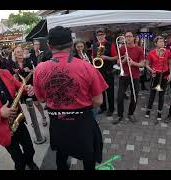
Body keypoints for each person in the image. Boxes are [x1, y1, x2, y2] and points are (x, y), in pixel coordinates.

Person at [33, 26, 108, 170]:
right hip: (83, 123)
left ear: (49, 45)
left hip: (58, 123)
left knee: (61, 154)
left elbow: (42, 100)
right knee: (88, 156)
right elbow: (99, 101)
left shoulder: (39, 69)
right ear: (71, 44)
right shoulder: (87, 67)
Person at [114, 31, 145, 125]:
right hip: (124, 76)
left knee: (134, 96)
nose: (128, 38)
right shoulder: (121, 48)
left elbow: (142, 63)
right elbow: (118, 62)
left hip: (135, 76)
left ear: (133, 38)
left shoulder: (139, 49)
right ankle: (120, 115)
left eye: (130, 36)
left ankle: (131, 113)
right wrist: (124, 59)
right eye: (126, 36)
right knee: (119, 97)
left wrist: (133, 63)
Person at [13, 46, 47, 126]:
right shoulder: (14, 65)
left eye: (21, 51)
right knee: (28, 106)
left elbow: (35, 71)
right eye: (18, 52)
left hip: (32, 85)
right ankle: (33, 119)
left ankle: (43, 117)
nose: (20, 53)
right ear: (15, 54)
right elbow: (16, 79)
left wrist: (30, 71)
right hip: (23, 88)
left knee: (36, 103)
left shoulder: (28, 60)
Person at [145, 36, 171, 122]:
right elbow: (146, 64)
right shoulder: (151, 53)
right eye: (160, 42)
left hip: (164, 75)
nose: (162, 43)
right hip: (155, 75)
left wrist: (170, 75)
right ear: (155, 43)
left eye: (163, 42)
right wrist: (151, 70)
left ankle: (159, 113)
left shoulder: (167, 52)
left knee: (161, 96)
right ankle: (148, 110)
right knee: (152, 95)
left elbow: (170, 65)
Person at [92, 28, 118, 116]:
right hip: (99, 71)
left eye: (101, 35)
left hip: (108, 71)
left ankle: (111, 109)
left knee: (110, 91)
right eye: (98, 35)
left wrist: (106, 58)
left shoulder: (110, 44)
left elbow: (116, 57)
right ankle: (103, 107)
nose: (100, 36)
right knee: (101, 91)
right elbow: (93, 56)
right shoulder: (95, 45)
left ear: (104, 35)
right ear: (96, 36)